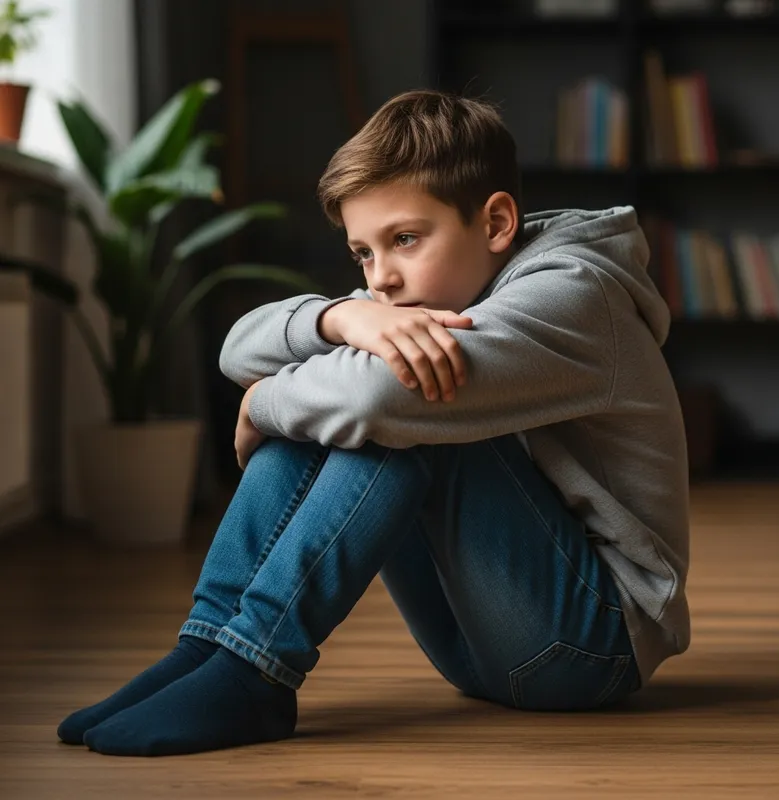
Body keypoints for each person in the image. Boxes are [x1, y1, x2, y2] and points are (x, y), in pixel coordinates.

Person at [57, 89, 690, 757]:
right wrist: (338, 318)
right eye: (363, 253)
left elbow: (373, 401)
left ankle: (254, 671)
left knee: (394, 405)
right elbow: (235, 349)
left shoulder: (575, 295)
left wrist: (262, 402)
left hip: (588, 647)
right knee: (348, 390)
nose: (381, 278)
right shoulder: (411, 296)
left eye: (405, 239)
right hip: (474, 646)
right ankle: (208, 646)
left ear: (497, 223)